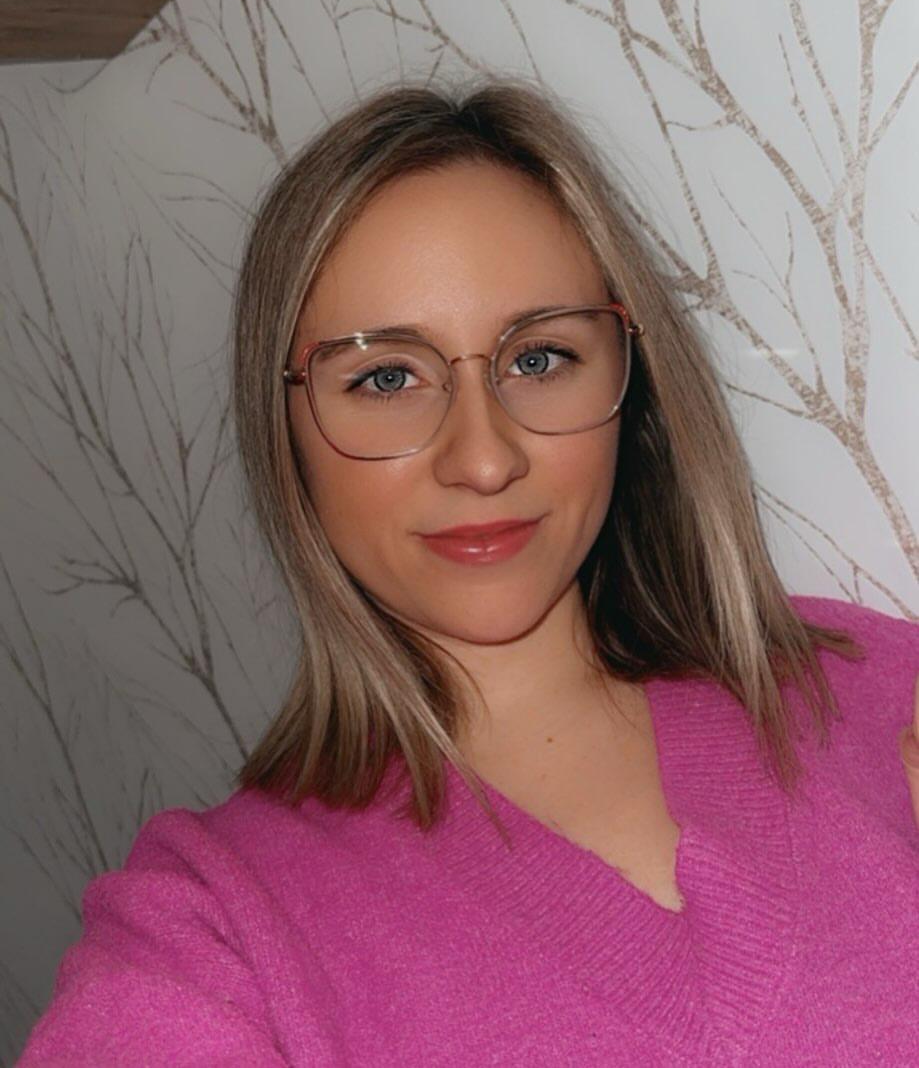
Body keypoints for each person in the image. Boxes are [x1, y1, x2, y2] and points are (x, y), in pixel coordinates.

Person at [18, 75, 919, 1066]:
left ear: (630, 382)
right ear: (287, 433)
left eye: (538, 358)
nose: (483, 460)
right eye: (385, 377)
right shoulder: (212, 924)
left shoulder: (876, 697)